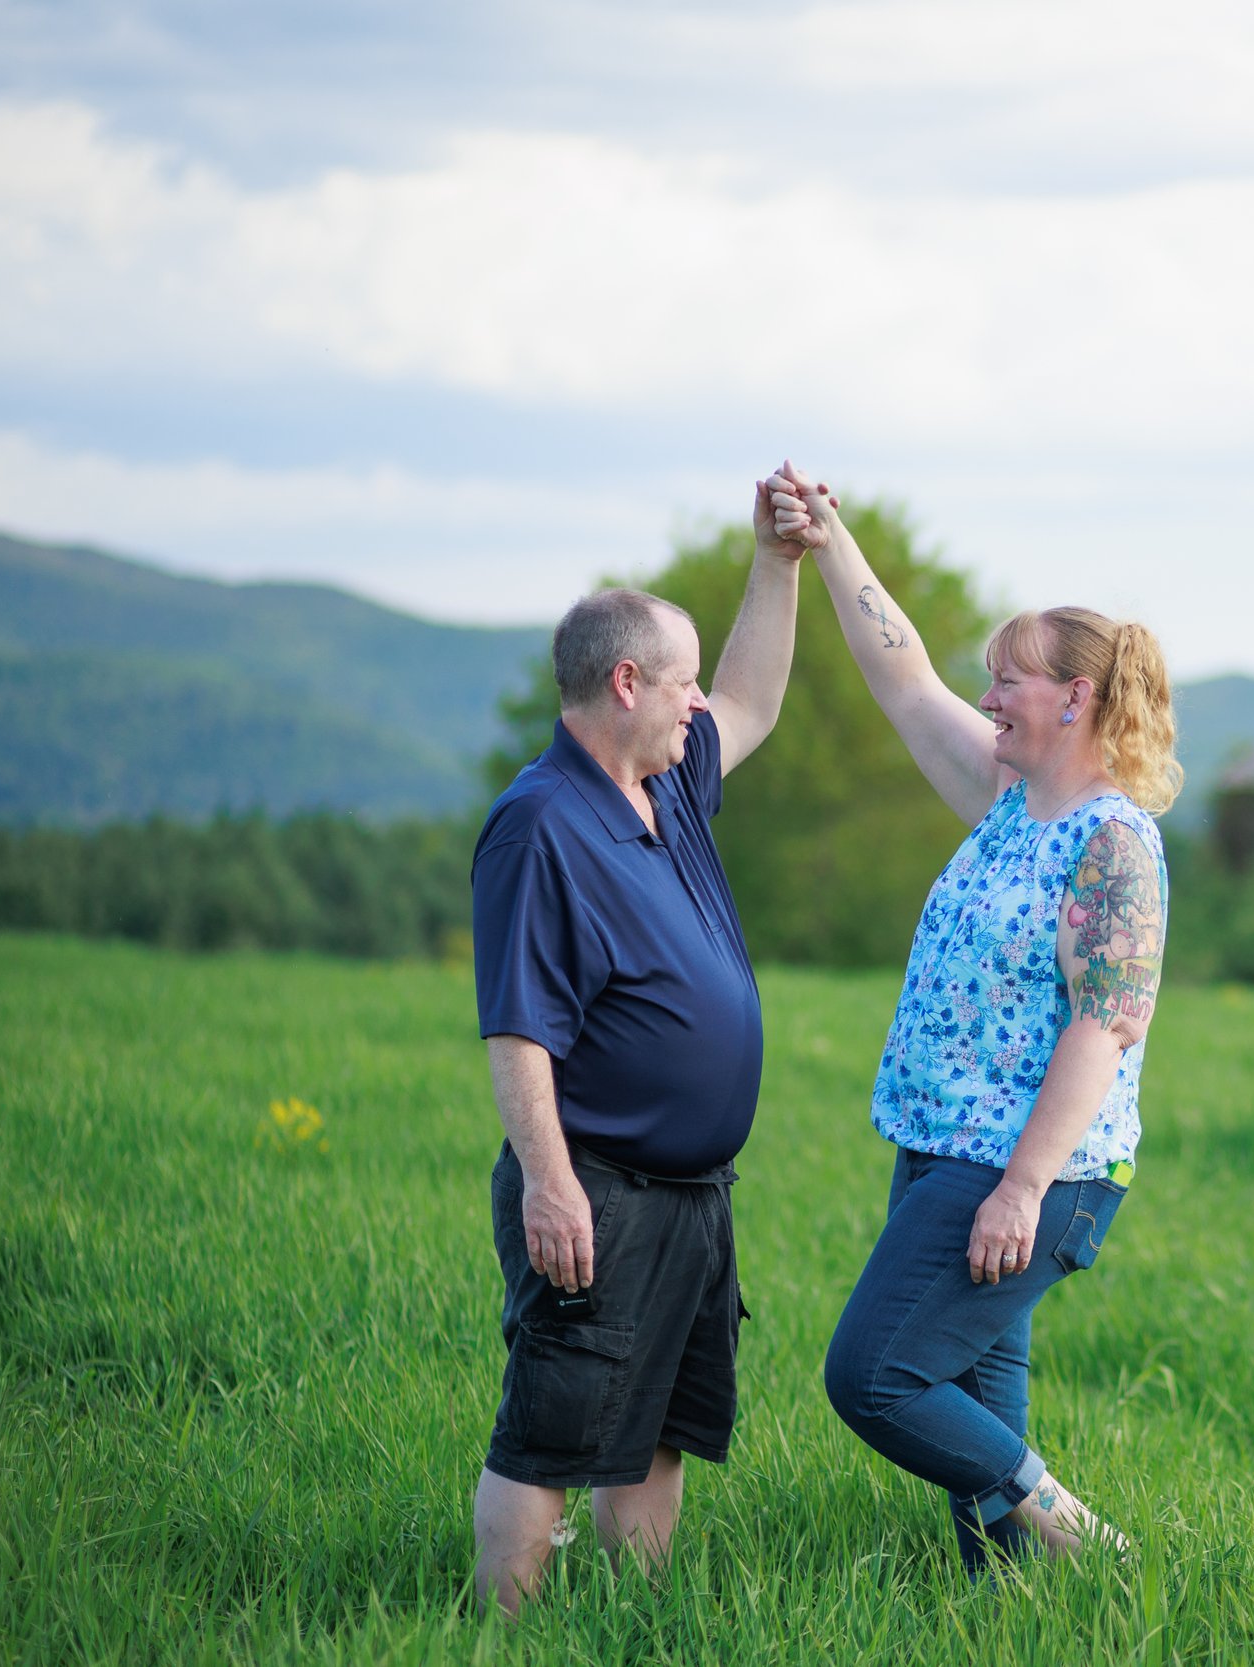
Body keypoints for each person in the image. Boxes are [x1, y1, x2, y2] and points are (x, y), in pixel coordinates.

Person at [766, 464, 1178, 1575]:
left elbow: (1105, 1026)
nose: (989, 697)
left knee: (875, 1375)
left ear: (1075, 699)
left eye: (1008, 681)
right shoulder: (1009, 805)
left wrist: (1022, 1188)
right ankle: (1017, 1605)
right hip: (944, 1147)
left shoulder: (1110, 841)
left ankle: (1086, 1541)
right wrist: (828, 539)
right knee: (974, 1399)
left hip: (1027, 1168)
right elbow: (903, 678)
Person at [466, 467, 815, 1612]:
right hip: (599, 1183)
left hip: (692, 1192)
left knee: (659, 1419)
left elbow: (752, 700)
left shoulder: (666, 785)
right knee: (555, 1424)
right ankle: (503, 1631)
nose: (698, 701)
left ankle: (633, 1618)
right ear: (627, 682)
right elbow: (518, 1025)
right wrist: (550, 1183)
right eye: (681, 681)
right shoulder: (541, 822)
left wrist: (776, 561)